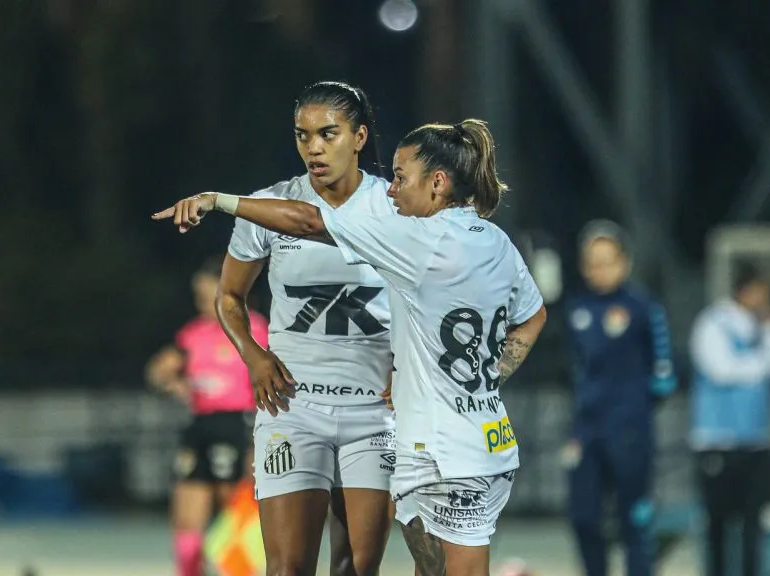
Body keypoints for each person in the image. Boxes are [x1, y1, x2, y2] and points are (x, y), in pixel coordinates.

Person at [153, 117, 549, 576]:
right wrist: (487, 375)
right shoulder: (495, 240)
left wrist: (218, 200)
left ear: (438, 183)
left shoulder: (418, 240)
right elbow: (533, 316)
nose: (392, 190)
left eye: (401, 178)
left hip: (441, 449)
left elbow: (308, 220)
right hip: (489, 436)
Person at [173, 81, 400, 576]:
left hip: (374, 412)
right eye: (302, 135)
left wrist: (406, 364)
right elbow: (229, 297)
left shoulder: (394, 207)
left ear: (359, 137)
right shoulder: (267, 206)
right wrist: (252, 355)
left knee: (356, 569)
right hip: (293, 409)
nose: (313, 147)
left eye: (328, 134)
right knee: (287, 568)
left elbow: (423, 297)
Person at [561, 220, 677, 576]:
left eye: (607, 261)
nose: (600, 270)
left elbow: (665, 375)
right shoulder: (576, 310)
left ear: (624, 263)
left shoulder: (643, 307)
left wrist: (633, 411)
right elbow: (575, 372)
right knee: (583, 517)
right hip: (587, 431)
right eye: (593, 262)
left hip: (630, 430)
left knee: (635, 520)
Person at [145, 254, 268, 576]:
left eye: (205, 294)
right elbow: (158, 370)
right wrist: (170, 383)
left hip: (237, 426)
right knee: (187, 523)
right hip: (199, 426)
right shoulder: (193, 333)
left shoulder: (254, 328)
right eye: (197, 296)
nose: (200, 302)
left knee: (235, 519)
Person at [688, 264, 770, 576]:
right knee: (719, 521)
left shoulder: (764, 328)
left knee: (755, 521)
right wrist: (763, 363)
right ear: (744, 290)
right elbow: (722, 370)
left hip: (756, 440)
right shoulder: (713, 323)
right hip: (717, 441)